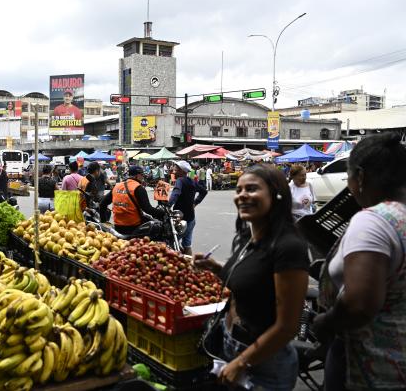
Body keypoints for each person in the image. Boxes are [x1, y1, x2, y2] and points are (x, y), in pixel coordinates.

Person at [194, 164, 309, 389]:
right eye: (239, 190)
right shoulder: (249, 237)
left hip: (264, 361)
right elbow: (250, 281)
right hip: (232, 345)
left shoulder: (288, 247)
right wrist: (216, 268)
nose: (243, 196)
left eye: (252, 189)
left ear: (277, 194)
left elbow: (288, 326)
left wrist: (241, 362)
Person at [312, 133, 406, 391]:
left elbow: (359, 304)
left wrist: (326, 322)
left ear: (360, 177)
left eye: (348, 177)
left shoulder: (373, 221)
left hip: (372, 366)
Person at [100, 165, 165, 235]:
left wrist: (104, 222)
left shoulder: (117, 186)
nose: (143, 177)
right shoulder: (138, 188)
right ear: (137, 176)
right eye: (142, 175)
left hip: (117, 226)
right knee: (157, 229)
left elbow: (102, 203)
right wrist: (162, 213)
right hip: (134, 226)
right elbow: (147, 209)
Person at [168, 160, 208, 255]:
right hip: (191, 219)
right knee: (187, 245)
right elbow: (204, 191)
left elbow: (176, 193)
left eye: (176, 169)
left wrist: (168, 205)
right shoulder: (192, 181)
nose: (174, 171)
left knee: (172, 243)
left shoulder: (180, 181)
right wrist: (195, 203)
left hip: (181, 221)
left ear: (182, 171)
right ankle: (189, 266)